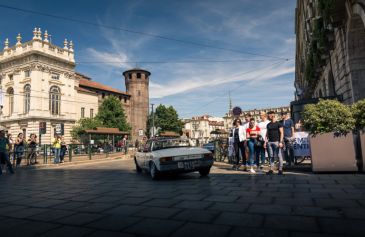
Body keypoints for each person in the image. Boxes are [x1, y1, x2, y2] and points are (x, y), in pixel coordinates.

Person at [265, 111, 284, 175]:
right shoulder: (268, 124)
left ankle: (280, 169)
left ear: (272, 115)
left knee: (279, 156)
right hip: (270, 142)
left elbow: (282, 133)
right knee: (271, 156)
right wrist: (265, 142)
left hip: (277, 142)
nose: (268, 116)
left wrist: (281, 142)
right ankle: (271, 169)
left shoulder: (278, 123)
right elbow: (267, 134)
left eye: (269, 115)